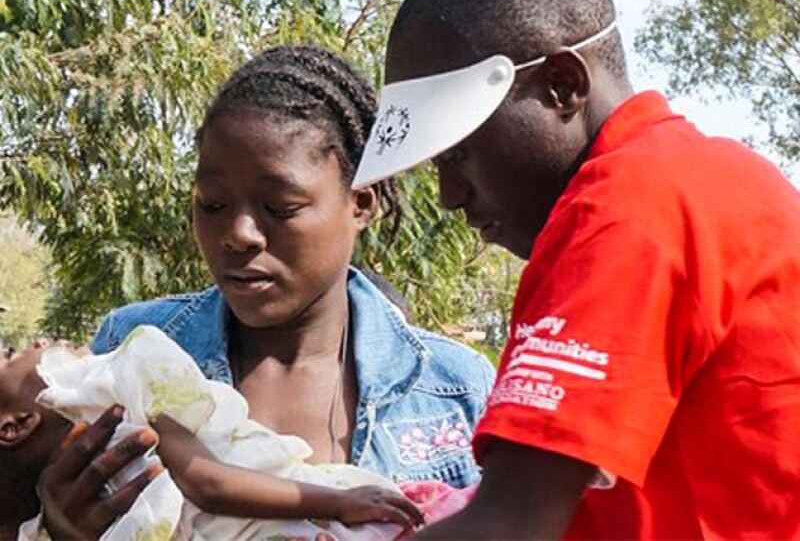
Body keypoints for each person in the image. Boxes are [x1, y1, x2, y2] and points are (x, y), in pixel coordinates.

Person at [350, 0, 800, 538]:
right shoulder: (720, 178)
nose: (449, 197)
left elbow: (510, 528)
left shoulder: (626, 209)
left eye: (458, 154)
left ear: (561, 86)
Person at [32, 45, 495, 539]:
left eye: (279, 206)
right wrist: (62, 528)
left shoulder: (455, 388)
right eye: (212, 204)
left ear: (361, 204)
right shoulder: (135, 350)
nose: (239, 234)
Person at [4, 327, 428, 540]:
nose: (39, 340)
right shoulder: (131, 367)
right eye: (10, 356)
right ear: (16, 425)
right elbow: (204, 480)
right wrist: (340, 502)